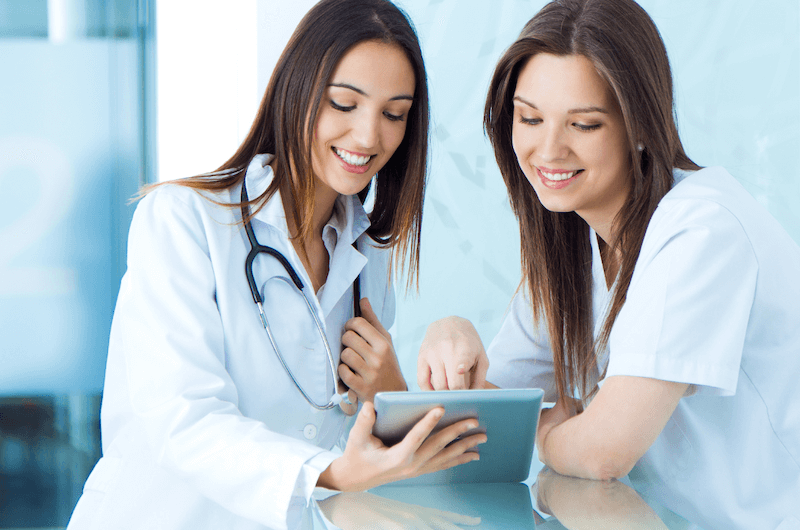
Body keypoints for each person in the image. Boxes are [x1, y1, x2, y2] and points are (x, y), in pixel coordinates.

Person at [66, 1, 485, 529]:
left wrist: (391, 389)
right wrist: (328, 472)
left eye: (393, 114)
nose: (368, 137)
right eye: (344, 103)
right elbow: (183, 419)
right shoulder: (183, 220)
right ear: (298, 88)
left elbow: (360, 446)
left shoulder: (366, 254)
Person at [417, 0, 800, 528]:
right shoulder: (573, 245)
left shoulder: (702, 230)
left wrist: (550, 437)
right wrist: (450, 331)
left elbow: (604, 451)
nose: (548, 149)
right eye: (529, 118)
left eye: (584, 124)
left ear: (640, 125)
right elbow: (494, 412)